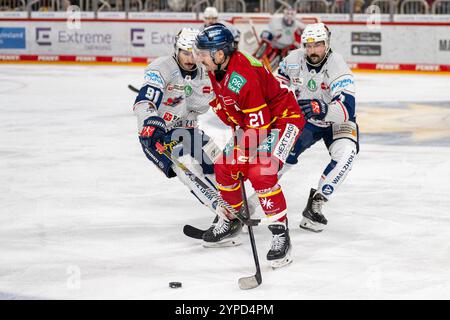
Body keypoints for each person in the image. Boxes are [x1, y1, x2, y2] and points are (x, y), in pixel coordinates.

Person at [194, 23, 306, 268]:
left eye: (203, 53)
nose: (199, 58)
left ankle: (280, 234)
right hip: (254, 123)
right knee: (224, 167)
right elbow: (232, 109)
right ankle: (234, 219)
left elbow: (260, 125)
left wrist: (244, 154)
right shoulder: (216, 68)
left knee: (260, 170)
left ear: (220, 53)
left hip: (282, 120)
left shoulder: (242, 76)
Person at [277, 22, 359, 232]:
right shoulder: (293, 59)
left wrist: (322, 108)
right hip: (306, 119)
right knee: (280, 157)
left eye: (318, 45)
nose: (313, 50)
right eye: (309, 45)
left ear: (327, 44)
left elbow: (347, 108)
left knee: (347, 154)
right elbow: (276, 84)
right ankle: (253, 200)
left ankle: (317, 202)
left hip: (337, 121)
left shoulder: (337, 64)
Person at [132, 27, 222, 219]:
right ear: (176, 49)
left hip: (187, 129)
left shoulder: (206, 72)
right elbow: (145, 100)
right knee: (189, 170)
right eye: (185, 52)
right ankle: (222, 214)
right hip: (157, 135)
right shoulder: (162, 67)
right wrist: (150, 121)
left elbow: (223, 100)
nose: (190, 58)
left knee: (219, 163)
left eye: (194, 53)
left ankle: (232, 204)